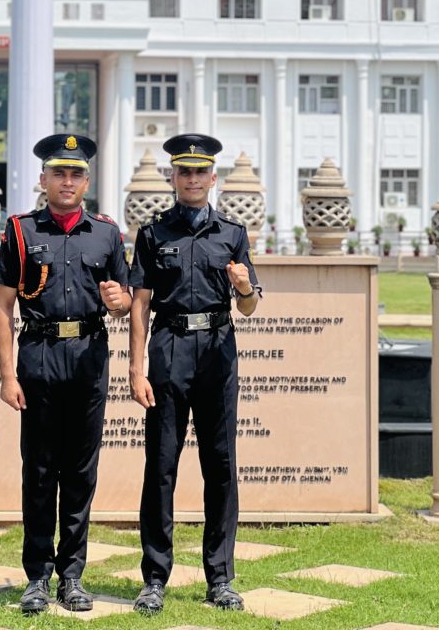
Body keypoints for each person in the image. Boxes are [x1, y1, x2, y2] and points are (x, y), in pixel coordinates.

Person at [0, 134, 131, 614]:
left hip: (90, 358)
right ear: (44, 179)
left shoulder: (108, 234)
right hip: (40, 356)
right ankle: (37, 578)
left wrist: (121, 303)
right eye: (58, 173)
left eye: (75, 174)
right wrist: (8, 375)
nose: (67, 181)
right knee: (39, 471)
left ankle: (72, 577)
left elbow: (126, 300)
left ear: (86, 181)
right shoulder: (21, 231)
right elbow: (3, 308)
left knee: (80, 473)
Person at [128, 134, 262, 614]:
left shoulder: (233, 232)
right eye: (183, 171)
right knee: (160, 466)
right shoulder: (152, 233)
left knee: (221, 466)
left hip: (219, 351)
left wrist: (244, 288)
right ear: (172, 178)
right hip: (168, 347)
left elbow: (246, 306)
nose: (191, 179)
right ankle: (155, 578)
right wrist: (136, 365)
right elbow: (139, 302)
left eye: (199, 172)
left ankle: (220, 577)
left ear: (213, 178)